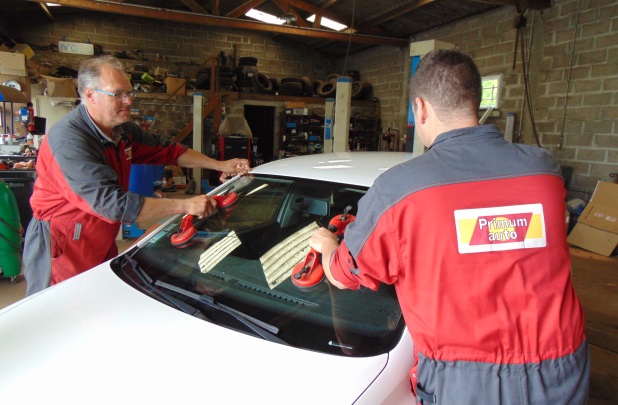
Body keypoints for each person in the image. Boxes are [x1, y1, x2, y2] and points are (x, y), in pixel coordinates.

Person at [309, 49, 589, 404]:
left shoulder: (397, 190)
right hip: (564, 368)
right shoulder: (545, 171)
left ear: (421, 108)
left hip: (467, 382)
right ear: (474, 100)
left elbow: (344, 275)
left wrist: (329, 246)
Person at [23, 55, 249, 296]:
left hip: (100, 234)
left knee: (98, 299)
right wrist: (186, 205)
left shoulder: (121, 130)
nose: (128, 101)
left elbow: (169, 151)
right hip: (62, 241)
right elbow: (114, 205)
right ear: (90, 95)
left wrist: (219, 164)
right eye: (118, 94)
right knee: (61, 308)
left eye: (130, 93)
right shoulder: (69, 141)